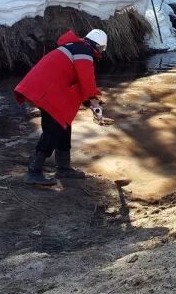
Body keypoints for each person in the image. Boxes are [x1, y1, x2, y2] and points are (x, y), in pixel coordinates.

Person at [14, 29, 107, 185]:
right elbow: (86, 79)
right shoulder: (83, 51)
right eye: (102, 48)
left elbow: (77, 81)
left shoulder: (76, 47)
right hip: (48, 92)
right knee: (52, 130)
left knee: (64, 126)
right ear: (97, 45)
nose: (101, 52)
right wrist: (93, 100)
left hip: (47, 89)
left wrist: (90, 101)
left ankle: (63, 167)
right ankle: (33, 172)